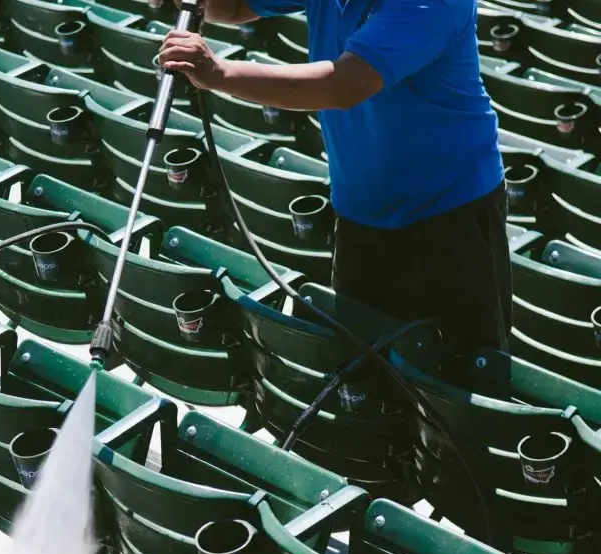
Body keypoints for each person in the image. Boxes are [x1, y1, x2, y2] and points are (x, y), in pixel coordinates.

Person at [158, 0, 512, 355]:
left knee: (458, 372)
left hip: (450, 217)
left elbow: (343, 85)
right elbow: (234, 7)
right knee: (364, 367)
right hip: (360, 212)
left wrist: (218, 71)